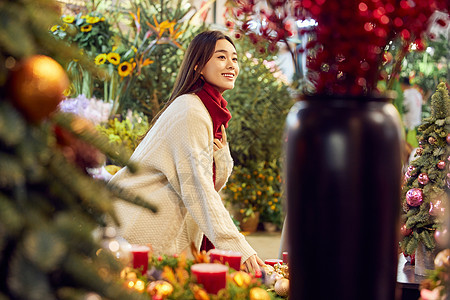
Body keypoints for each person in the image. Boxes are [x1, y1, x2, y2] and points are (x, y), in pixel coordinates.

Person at [108, 30, 264, 273]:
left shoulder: (213, 112)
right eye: (221, 57)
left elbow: (212, 184)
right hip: (142, 226)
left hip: (166, 232)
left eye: (234, 58)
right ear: (199, 66)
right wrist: (238, 247)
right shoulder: (191, 110)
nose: (231, 65)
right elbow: (198, 188)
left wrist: (220, 156)